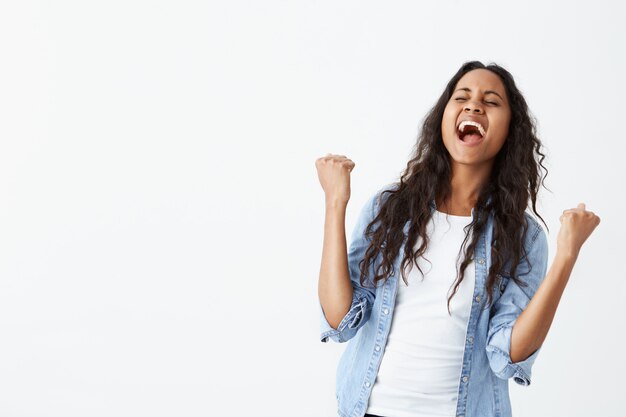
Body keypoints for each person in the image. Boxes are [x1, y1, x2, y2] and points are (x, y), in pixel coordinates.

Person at [315, 61, 601, 417]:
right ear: (443, 117)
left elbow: (508, 356)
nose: (474, 105)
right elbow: (340, 318)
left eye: (491, 101)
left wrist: (566, 256)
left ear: (511, 130)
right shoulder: (390, 208)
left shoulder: (522, 236)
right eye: (462, 97)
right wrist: (335, 203)